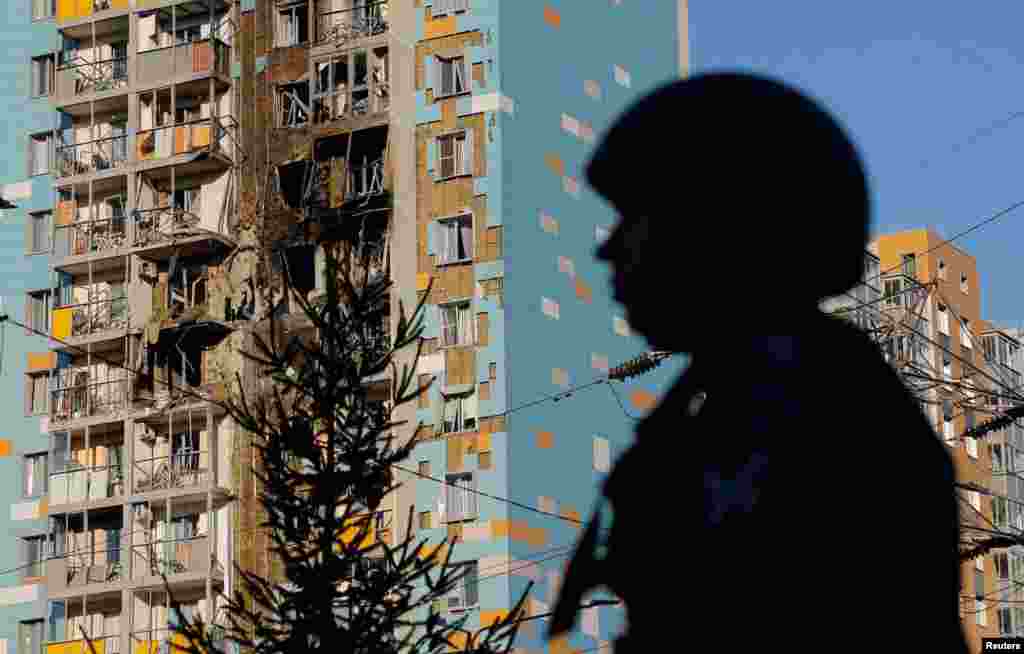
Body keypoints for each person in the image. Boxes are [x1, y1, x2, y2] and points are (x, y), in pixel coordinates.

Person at [549, 73, 968, 653]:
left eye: (636, 217)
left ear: (715, 228)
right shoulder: (737, 398)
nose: (608, 247)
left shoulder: (802, 410)